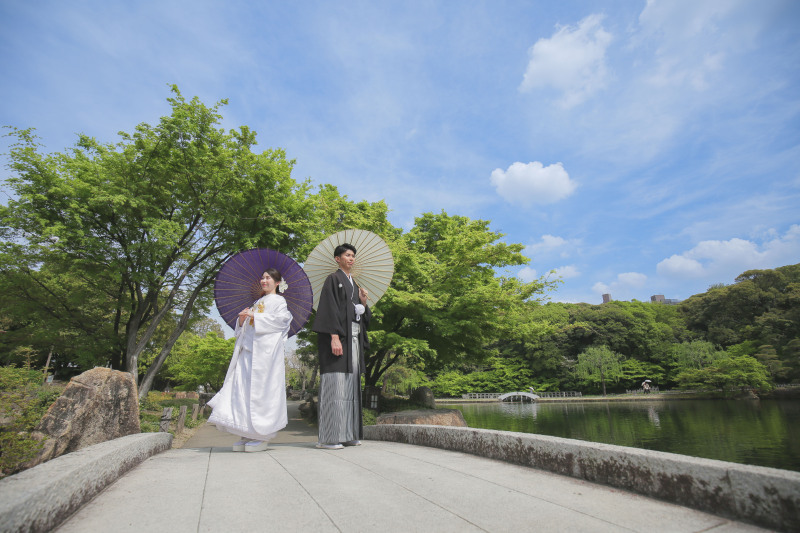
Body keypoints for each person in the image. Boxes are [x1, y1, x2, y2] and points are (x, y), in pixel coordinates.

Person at [207, 268, 293, 452]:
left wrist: (257, 316)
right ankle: (246, 431)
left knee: (261, 393)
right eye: (262, 277)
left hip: (265, 357)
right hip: (248, 352)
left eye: (268, 278)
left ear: (277, 282)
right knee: (242, 392)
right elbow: (247, 328)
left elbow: (282, 321)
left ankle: (262, 435)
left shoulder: (279, 301)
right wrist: (242, 319)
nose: (264, 280)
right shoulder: (257, 302)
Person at [312, 243, 371, 450]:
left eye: (353, 255)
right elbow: (329, 309)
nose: (351, 258)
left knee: (351, 387)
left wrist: (363, 305)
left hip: (353, 341)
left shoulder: (354, 284)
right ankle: (329, 437)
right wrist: (334, 337)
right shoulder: (333, 279)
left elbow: (359, 316)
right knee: (335, 386)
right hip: (338, 341)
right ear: (337, 259)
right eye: (347, 255)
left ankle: (348, 433)